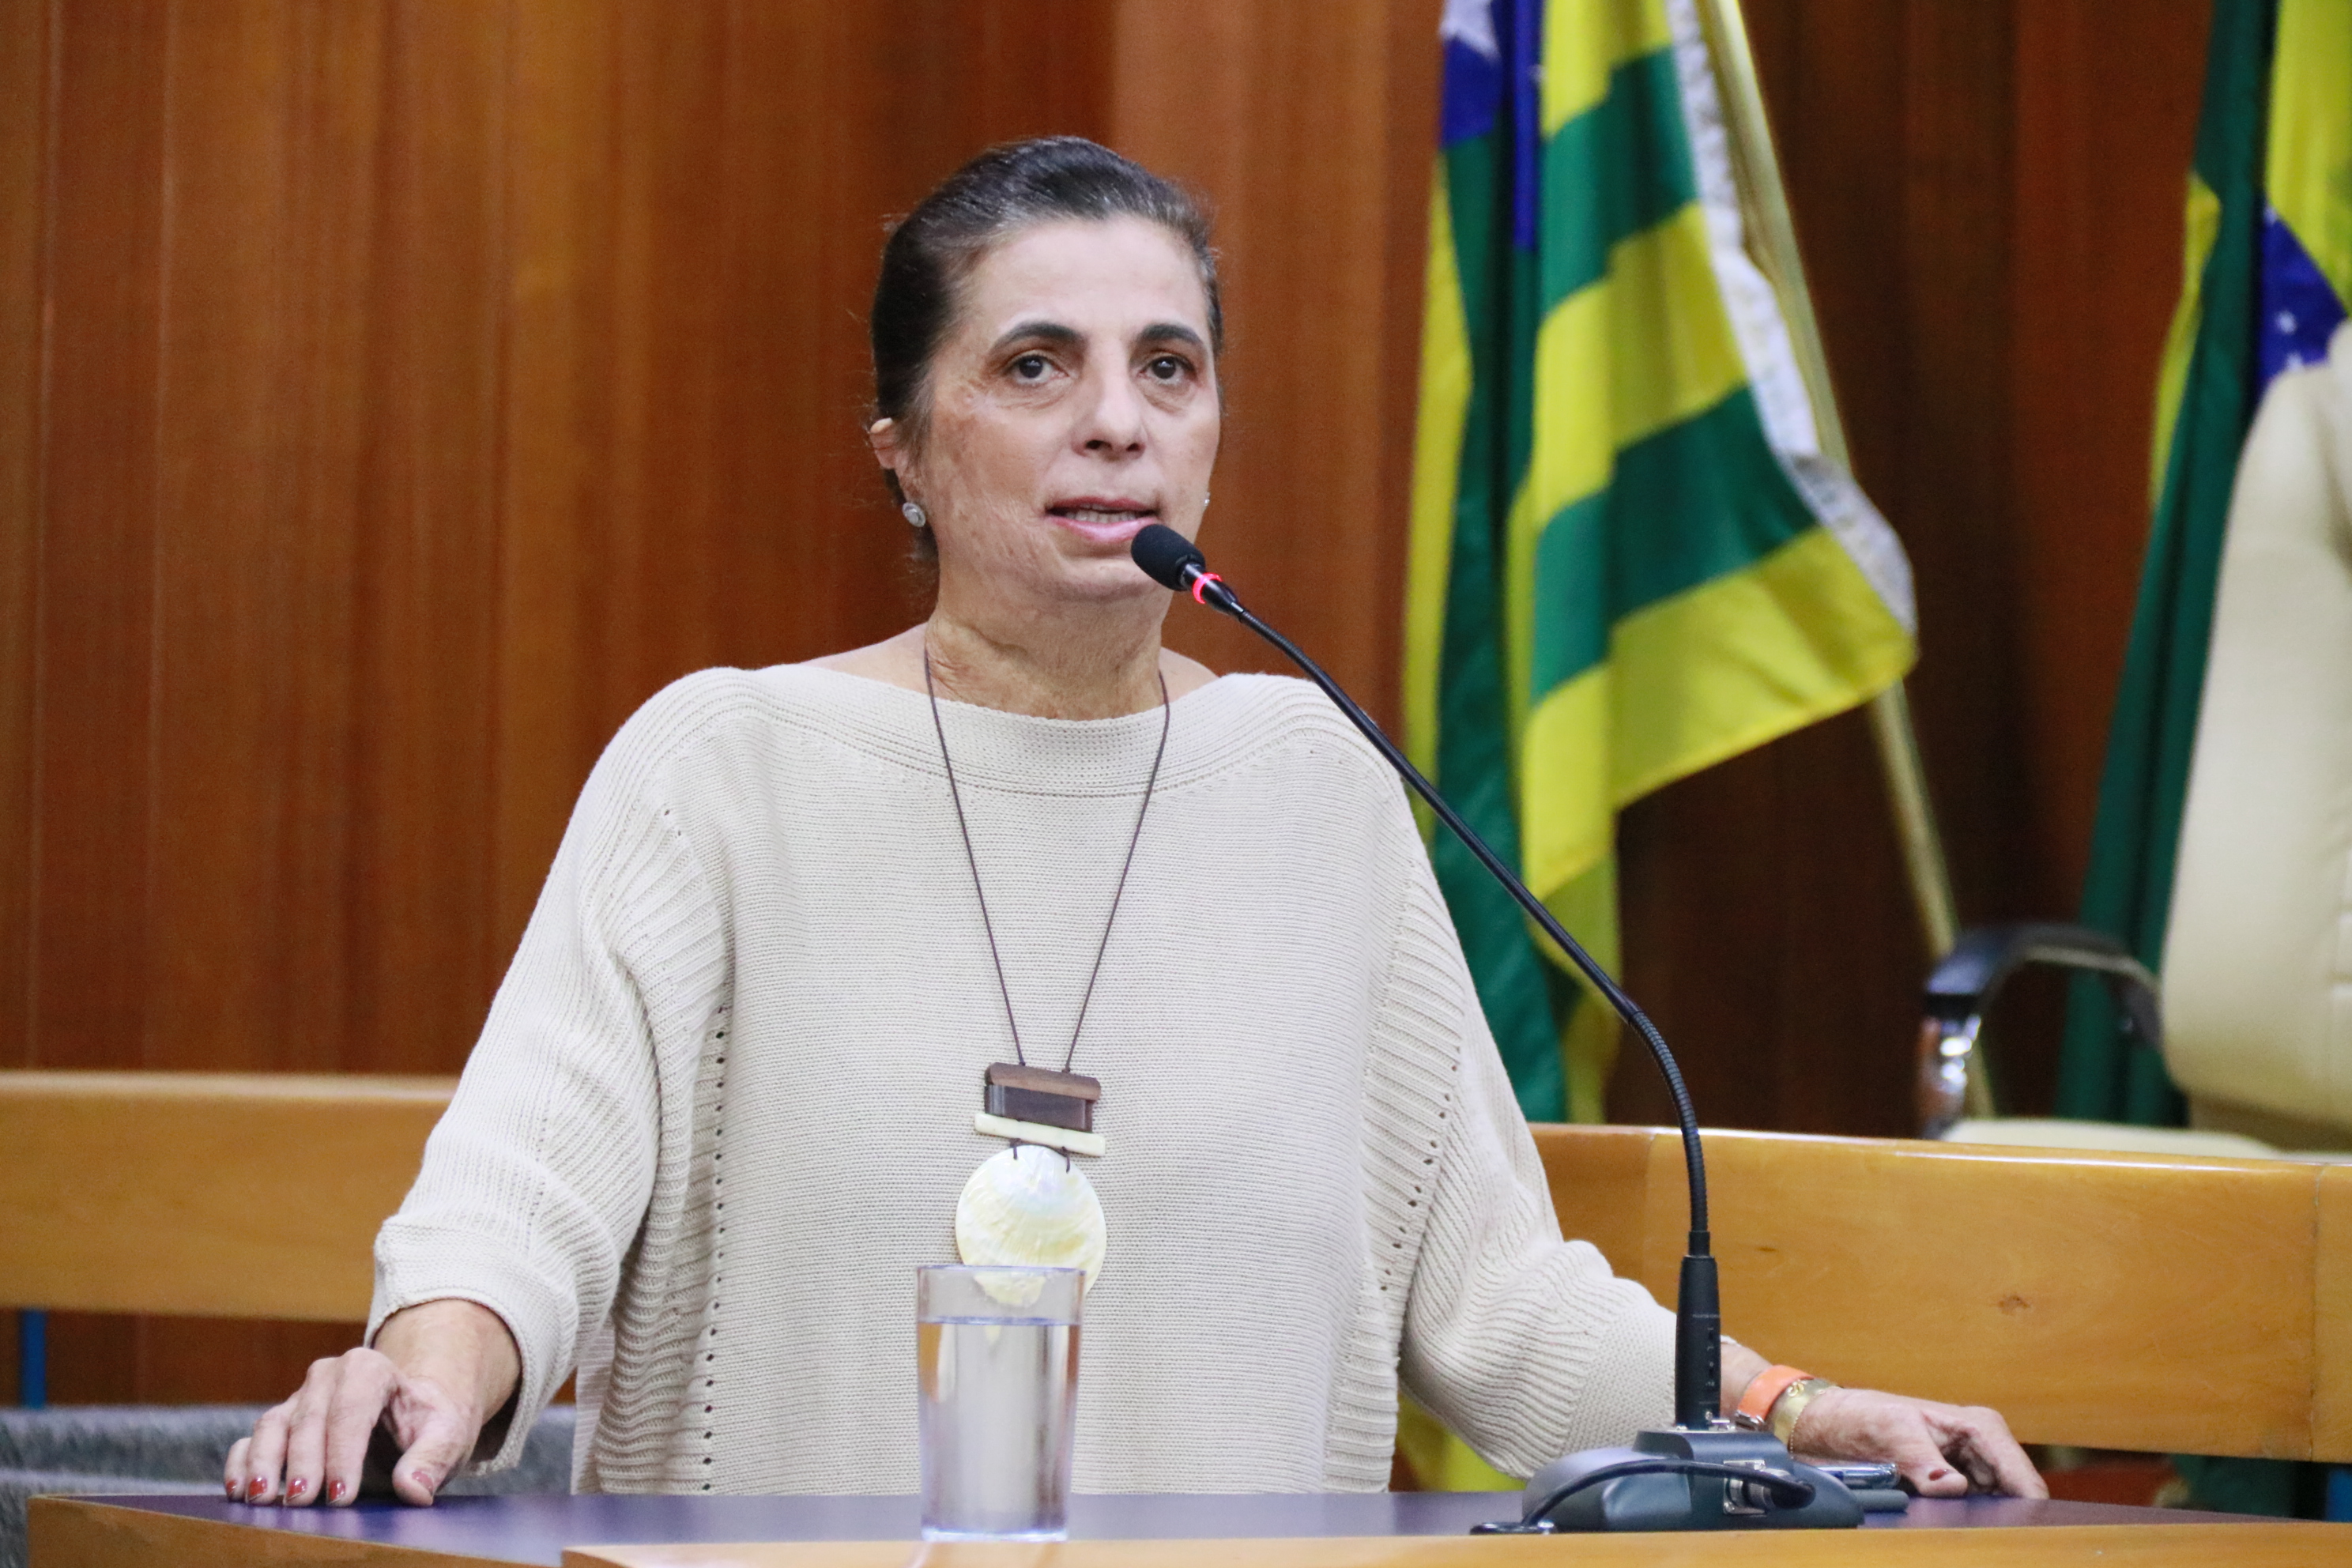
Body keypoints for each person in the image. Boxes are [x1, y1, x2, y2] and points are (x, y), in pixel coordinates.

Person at [226, 137, 2044, 1510]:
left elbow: (1495, 1297)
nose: (1116, 422)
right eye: (1036, 366)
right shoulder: (724, 767)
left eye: (1168, 367)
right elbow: (520, 1198)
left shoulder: (1318, 781)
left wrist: (1800, 1411)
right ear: (903, 447)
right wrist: (425, 1372)